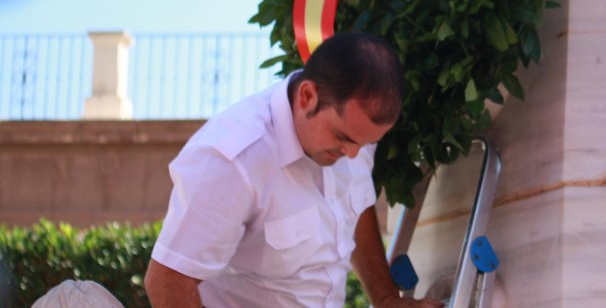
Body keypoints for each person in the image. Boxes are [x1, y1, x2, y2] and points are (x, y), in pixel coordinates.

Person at [144, 32, 441, 307]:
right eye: (343, 138)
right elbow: (167, 282)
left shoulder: (355, 133)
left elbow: (355, 206)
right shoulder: (232, 161)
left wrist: (387, 299)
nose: (352, 154)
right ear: (307, 97)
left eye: (365, 144)